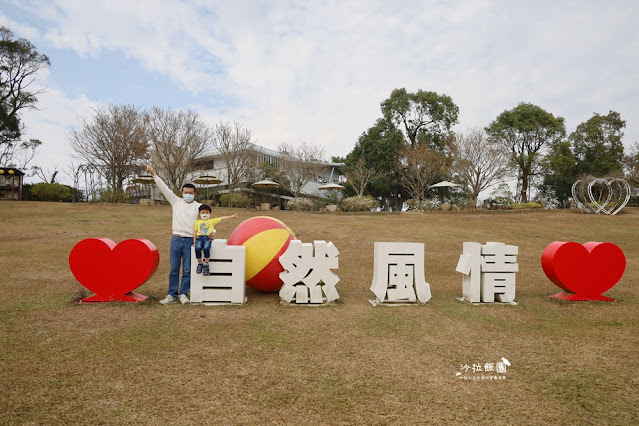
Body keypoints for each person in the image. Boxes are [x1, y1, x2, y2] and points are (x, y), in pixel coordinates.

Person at [147, 164, 201, 305]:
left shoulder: (199, 206)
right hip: (176, 239)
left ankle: (183, 294)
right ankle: (172, 295)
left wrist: (212, 232)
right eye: (185, 192)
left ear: (194, 194)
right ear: (182, 192)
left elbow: (207, 222)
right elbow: (164, 188)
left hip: (191, 241)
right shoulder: (176, 201)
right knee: (174, 269)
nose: (187, 194)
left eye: (190, 192)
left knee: (187, 270)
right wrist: (154, 174)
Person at [193, 205, 238, 275]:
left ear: (210, 214)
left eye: (207, 213)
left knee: (206, 248)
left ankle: (206, 265)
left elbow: (222, 218)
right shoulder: (197, 222)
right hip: (200, 238)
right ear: (199, 214)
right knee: (197, 247)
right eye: (203, 212)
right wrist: (194, 242)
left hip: (208, 238)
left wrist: (232, 216)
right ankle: (199, 263)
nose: (205, 214)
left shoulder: (212, 221)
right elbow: (195, 232)